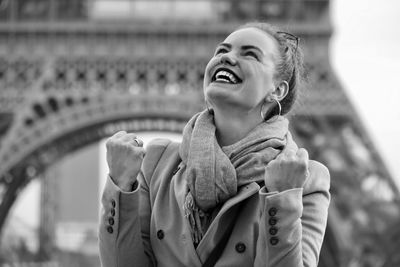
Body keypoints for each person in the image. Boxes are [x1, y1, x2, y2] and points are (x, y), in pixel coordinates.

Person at [98, 22, 330, 267]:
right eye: (222, 51)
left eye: (250, 54)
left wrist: (282, 198)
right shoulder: (157, 165)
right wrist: (120, 185)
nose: (228, 58)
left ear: (278, 89)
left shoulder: (305, 181)